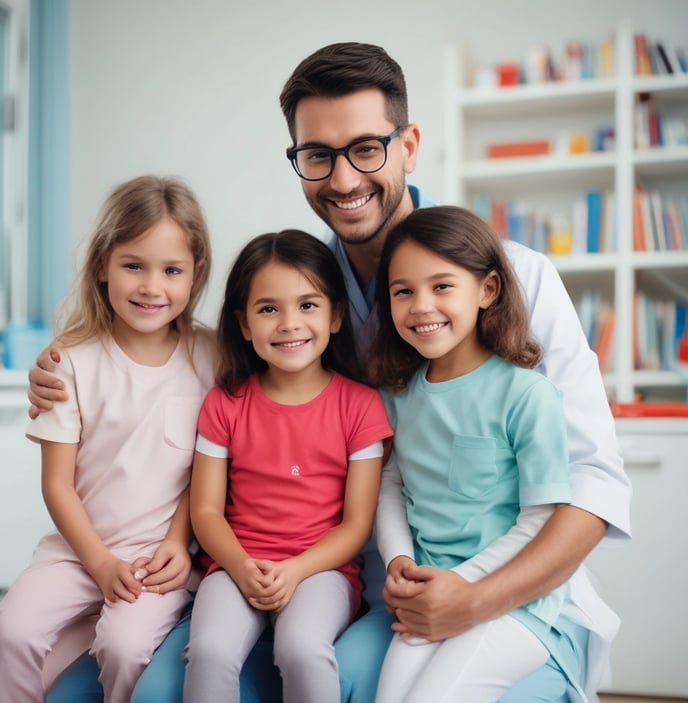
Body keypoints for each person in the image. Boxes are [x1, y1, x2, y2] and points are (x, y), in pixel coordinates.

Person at [32, 42, 630, 703]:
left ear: (409, 145)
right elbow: (203, 375)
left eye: (367, 148)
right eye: (318, 155)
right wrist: (78, 362)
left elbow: (590, 483)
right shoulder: (300, 293)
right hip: (323, 586)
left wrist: (476, 598)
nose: (344, 179)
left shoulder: (513, 278)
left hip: (504, 595)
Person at [0, 175, 216, 703]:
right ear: (101, 267)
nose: (152, 287)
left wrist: (178, 542)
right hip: (76, 549)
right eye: (134, 266)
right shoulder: (70, 362)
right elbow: (57, 487)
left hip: (158, 557)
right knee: (12, 631)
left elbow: (207, 474)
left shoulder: (213, 357)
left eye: (171, 270)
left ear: (194, 274)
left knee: (127, 646)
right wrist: (99, 563)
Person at [369, 205, 618, 702]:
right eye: (404, 292)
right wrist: (398, 557)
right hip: (428, 594)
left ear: (486, 290)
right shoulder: (399, 395)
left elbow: (540, 520)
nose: (421, 305)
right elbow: (390, 481)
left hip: (515, 606)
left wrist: (461, 588)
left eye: (442, 286)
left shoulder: (527, 395)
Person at [183, 229, 392, 702]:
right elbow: (207, 512)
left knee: (302, 648)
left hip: (322, 571)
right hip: (234, 565)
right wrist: (239, 566)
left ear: (337, 315)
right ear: (243, 323)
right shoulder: (224, 404)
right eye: (268, 308)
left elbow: (357, 524)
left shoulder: (361, 407)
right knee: (211, 650)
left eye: (308, 305)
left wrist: (295, 571)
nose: (288, 323)